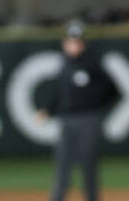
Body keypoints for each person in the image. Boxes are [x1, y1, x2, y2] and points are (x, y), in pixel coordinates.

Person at [35, 20, 119, 201]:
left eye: (77, 41)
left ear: (83, 43)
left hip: (88, 119)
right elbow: (59, 92)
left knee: (88, 165)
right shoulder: (65, 64)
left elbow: (113, 90)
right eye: (70, 41)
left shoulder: (93, 63)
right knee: (62, 165)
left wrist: (96, 107)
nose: (73, 45)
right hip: (66, 120)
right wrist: (48, 110)